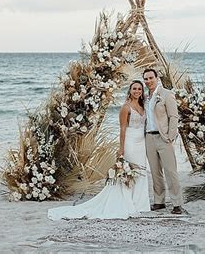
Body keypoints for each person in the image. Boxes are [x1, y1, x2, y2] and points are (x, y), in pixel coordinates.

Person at [48, 80, 150, 220]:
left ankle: (140, 204)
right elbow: (122, 128)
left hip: (141, 144)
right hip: (130, 143)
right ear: (130, 91)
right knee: (130, 171)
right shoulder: (126, 107)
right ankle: (127, 202)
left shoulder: (143, 106)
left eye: (139, 89)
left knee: (141, 172)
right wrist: (121, 148)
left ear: (142, 91)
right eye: (134, 89)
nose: (137, 91)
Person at [142, 69, 184, 215]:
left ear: (157, 78)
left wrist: (170, 136)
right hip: (149, 137)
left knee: (170, 171)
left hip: (163, 137)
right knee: (155, 172)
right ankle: (159, 201)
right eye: (146, 79)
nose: (148, 81)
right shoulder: (144, 97)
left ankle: (177, 203)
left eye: (150, 78)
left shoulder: (166, 94)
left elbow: (173, 116)